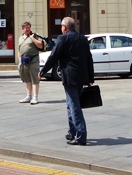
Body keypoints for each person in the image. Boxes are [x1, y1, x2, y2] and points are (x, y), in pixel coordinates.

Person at [39, 16, 94, 146]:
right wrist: (90, 77)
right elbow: (89, 58)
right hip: (81, 76)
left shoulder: (63, 38)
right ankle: (72, 131)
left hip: (70, 76)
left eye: (61, 26)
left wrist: (42, 71)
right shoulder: (82, 38)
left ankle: (81, 135)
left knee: (74, 105)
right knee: (70, 104)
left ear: (64, 27)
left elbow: (53, 56)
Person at [17, 21, 45, 105]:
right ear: (22, 29)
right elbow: (19, 50)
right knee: (27, 79)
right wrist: (20, 60)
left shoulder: (35, 36)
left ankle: (35, 97)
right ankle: (28, 96)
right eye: (26, 28)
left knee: (34, 79)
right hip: (24, 61)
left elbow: (41, 45)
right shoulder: (20, 38)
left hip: (33, 60)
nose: (27, 29)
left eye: (29, 27)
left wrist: (33, 39)